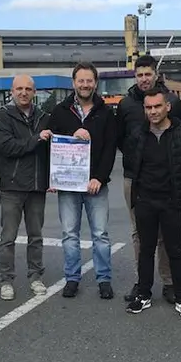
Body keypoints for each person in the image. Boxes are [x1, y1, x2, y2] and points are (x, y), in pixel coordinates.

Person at [116, 54, 181, 304]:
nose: (144, 79)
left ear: (156, 74)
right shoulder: (125, 104)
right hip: (134, 179)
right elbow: (120, 138)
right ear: (135, 77)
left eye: (148, 74)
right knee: (139, 233)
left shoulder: (173, 101)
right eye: (139, 75)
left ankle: (169, 282)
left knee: (166, 236)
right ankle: (141, 282)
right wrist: (137, 159)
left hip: (167, 180)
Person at [124, 86, 181, 319]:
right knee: (145, 249)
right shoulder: (138, 133)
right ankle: (143, 294)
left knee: (175, 250)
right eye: (148, 107)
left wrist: (180, 193)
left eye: (157, 106)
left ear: (167, 106)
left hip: (172, 202)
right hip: (145, 201)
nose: (153, 111)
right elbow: (131, 163)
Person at [49, 62, 118, 299]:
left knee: (100, 234)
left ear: (95, 83)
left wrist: (99, 177)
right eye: (81, 80)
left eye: (89, 81)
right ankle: (72, 278)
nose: (85, 85)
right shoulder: (60, 111)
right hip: (68, 184)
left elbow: (110, 148)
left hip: (96, 184)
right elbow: (52, 144)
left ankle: (104, 279)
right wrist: (54, 178)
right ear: (74, 83)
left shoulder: (105, 112)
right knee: (70, 234)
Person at [0, 75, 51, 301]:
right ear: (12, 91)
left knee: (36, 236)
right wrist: (36, 139)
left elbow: (52, 150)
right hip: (12, 186)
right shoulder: (3, 116)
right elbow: (8, 147)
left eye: (28, 89)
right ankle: (6, 280)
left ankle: (35, 276)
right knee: (8, 237)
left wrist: (54, 178)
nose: (23, 92)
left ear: (34, 92)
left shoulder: (44, 117)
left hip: (37, 186)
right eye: (19, 88)